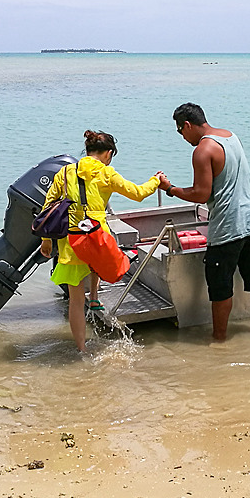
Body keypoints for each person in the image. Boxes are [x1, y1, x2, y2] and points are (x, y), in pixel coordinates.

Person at [158, 103, 250, 341]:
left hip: (229, 227)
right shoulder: (231, 136)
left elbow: (201, 194)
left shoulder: (202, 150)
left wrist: (170, 189)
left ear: (187, 125)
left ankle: (219, 339)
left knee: (220, 287)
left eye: (180, 131)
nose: (182, 136)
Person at [41, 130, 163, 352]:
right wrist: (156, 181)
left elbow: (49, 204)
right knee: (98, 258)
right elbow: (137, 193)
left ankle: (81, 348)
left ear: (87, 152)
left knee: (76, 301)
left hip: (72, 240)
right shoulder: (107, 174)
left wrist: (46, 240)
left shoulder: (66, 172)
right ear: (108, 154)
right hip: (98, 237)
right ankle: (96, 296)